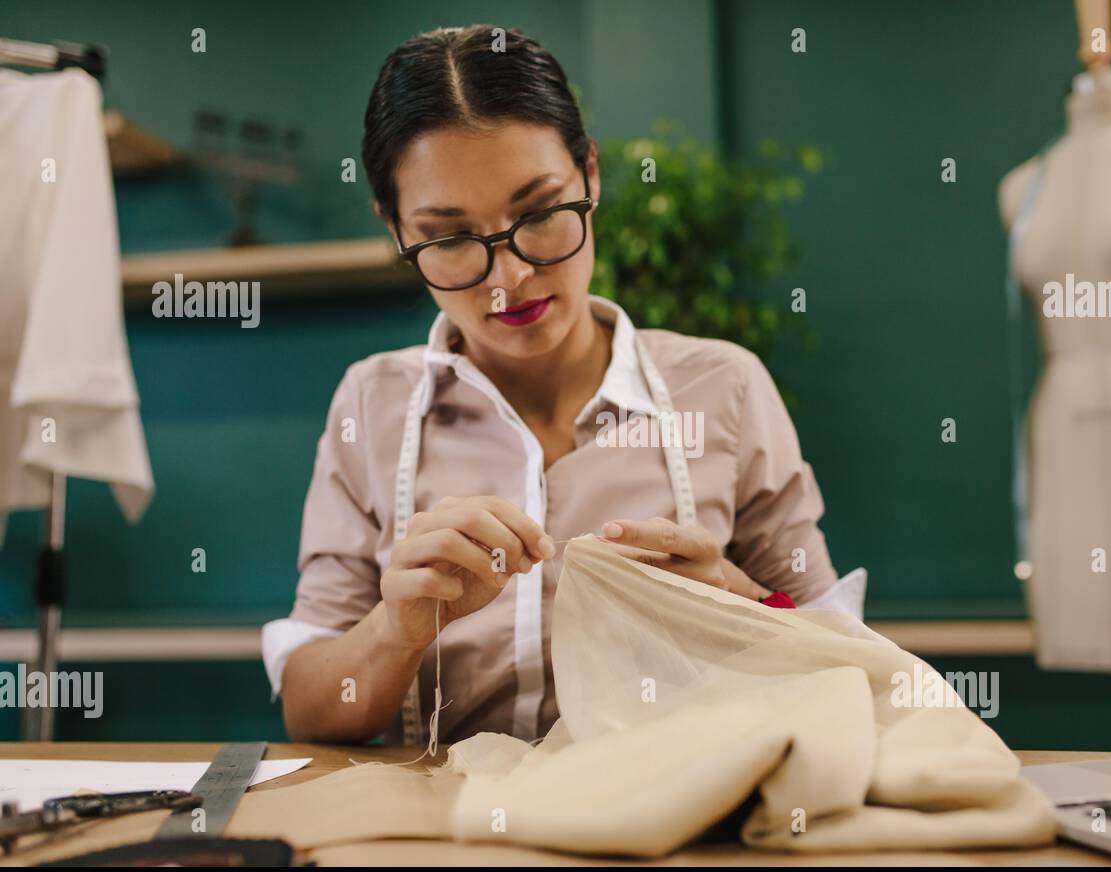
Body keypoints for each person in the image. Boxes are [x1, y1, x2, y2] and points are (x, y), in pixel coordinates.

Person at [261, 24, 861, 746]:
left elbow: (842, 666)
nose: (510, 279)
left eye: (540, 214)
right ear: (395, 229)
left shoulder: (723, 388)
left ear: (592, 174)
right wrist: (396, 629)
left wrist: (734, 599)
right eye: (449, 239)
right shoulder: (371, 406)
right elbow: (309, 705)